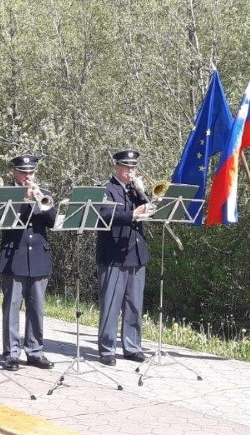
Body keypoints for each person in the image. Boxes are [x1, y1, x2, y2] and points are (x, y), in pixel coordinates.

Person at [0, 154, 56, 371]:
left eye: (30, 172)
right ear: (14, 172)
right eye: (23, 172)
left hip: (39, 258)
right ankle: (11, 353)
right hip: (14, 257)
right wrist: (23, 200)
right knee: (12, 308)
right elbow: (6, 223)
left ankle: (35, 351)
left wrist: (41, 200)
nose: (27, 176)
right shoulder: (5, 194)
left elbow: (53, 221)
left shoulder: (45, 193)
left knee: (37, 308)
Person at [96, 149, 151, 366]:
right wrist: (132, 214)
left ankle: (132, 346)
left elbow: (151, 209)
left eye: (133, 167)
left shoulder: (136, 191)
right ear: (117, 167)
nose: (131, 171)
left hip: (136, 253)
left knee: (134, 304)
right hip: (113, 254)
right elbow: (104, 215)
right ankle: (107, 349)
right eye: (127, 167)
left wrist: (147, 198)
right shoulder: (106, 189)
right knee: (111, 304)